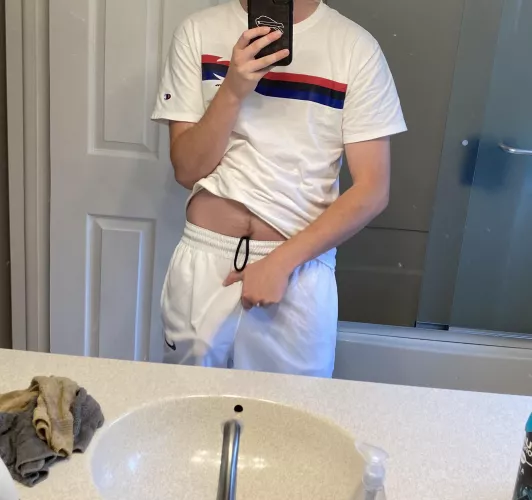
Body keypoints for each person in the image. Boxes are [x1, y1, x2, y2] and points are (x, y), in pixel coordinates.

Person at [151, 0, 407, 378]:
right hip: (206, 259)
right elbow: (188, 170)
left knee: (290, 412)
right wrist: (233, 89)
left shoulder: (355, 48)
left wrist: (281, 262)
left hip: (297, 270)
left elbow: (372, 190)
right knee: (189, 404)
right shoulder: (198, 31)